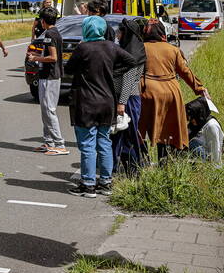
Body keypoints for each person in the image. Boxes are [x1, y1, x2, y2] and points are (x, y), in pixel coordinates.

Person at [64, 16, 136, 197]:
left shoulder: (83, 48)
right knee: (104, 142)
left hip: (86, 102)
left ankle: (88, 184)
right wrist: (112, 72)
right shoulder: (112, 47)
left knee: (88, 144)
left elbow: (69, 69)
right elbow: (132, 61)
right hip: (107, 102)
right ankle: (106, 182)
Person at [140, 21, 207, 159]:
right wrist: (199, 88)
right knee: (168, 131)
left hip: (146, 92)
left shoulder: (140, 48)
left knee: (139, 130)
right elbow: (185, 72)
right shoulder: (173, 49)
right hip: (170, 93)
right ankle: (164, 161)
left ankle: (140, 163)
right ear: (162, 33)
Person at [27, 7, 68, 155]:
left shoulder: (50, 34)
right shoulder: (54, 32)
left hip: (50, 76)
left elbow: (54, 57)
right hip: (48, 75)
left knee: (49, 110)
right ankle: (49, 142)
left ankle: (59, 144)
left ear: (43, 21)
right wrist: (38, 53)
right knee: (45, 109)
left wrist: (35, 58)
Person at [112, 17, 148, 173]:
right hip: (126, 99)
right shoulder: (130, 48)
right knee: (120, 134)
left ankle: (132, 169)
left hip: (128, 100)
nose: (117, 35)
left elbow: (127, 80)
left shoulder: (132, 52)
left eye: (119, 32)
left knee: (128, 135)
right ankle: (124, 167)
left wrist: (121, 103)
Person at [186, 96, 224, 164]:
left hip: (207, 161)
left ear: (199, 115)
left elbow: (215, 151)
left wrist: (215, 168)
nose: (192, 121)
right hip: (197, 158)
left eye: (193, 118)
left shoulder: (211, 126)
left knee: (193, 143)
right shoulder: (199, 123)